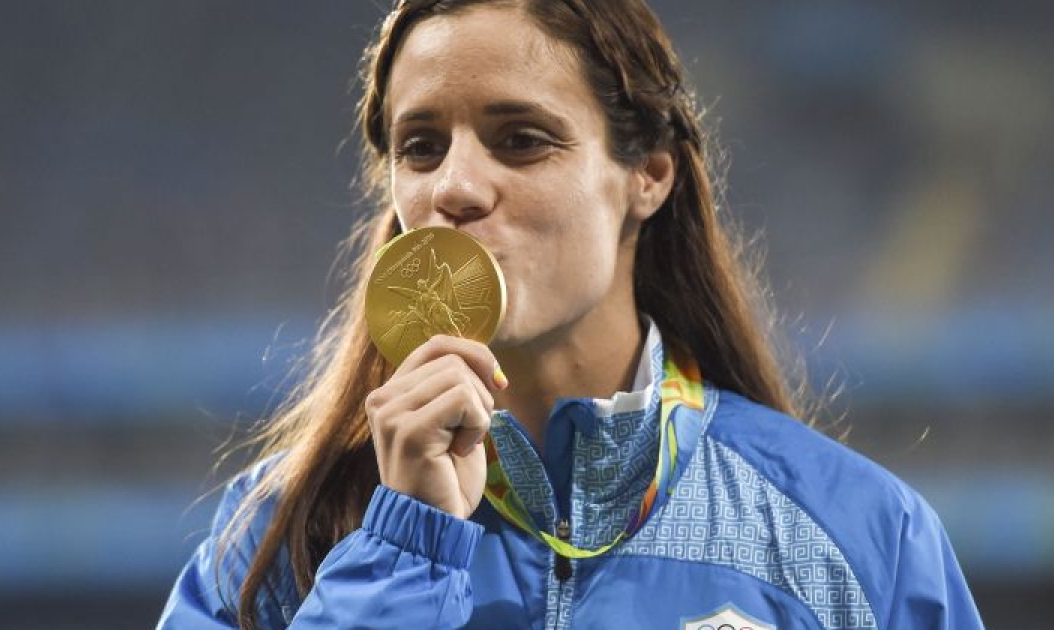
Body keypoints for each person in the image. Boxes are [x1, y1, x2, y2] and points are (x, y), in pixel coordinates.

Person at [157, 1, 985, 628]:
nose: (454, 188)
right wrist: (404, 551)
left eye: (521, 139)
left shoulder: (858, 534)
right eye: (422, 147)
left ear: (648, 175)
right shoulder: (277, 533)